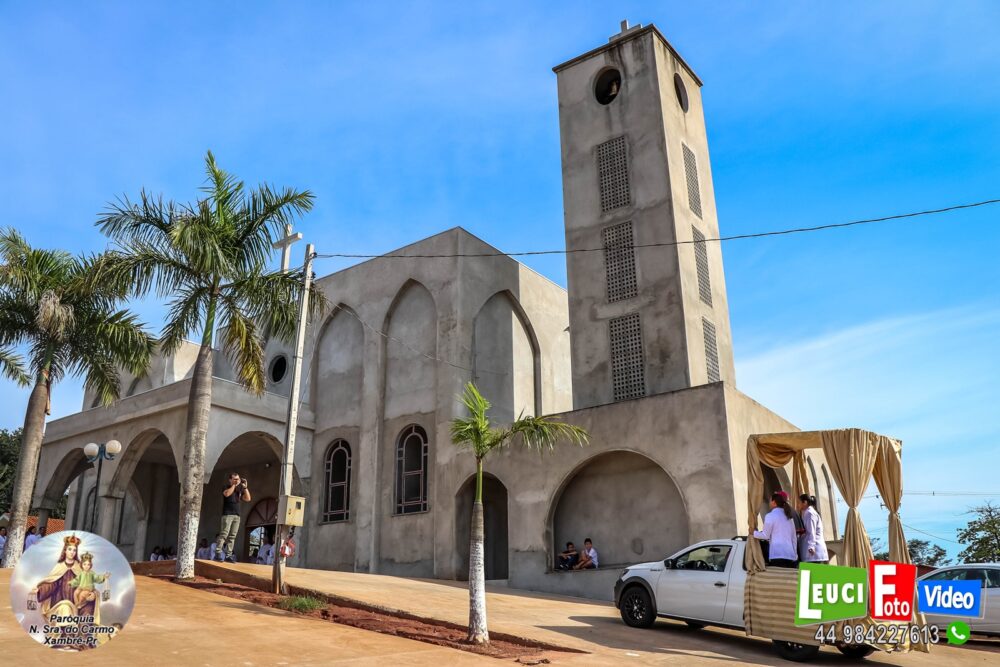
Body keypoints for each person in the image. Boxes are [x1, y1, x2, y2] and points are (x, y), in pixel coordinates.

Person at [754, 491, 798, 568]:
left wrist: (753, 533)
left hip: (777, 554)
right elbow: (794, 538)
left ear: (774, 502)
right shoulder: (789, 517)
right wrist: (795, 554)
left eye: (770, 500)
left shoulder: (770, 516)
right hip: (790, 555)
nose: (769, 502)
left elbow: (765, 535)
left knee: (779, 579)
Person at [216, 472, 250, 563]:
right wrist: (234, 485)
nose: (236, 481)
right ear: (230, 479)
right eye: (234, 479)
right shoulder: (226, 487)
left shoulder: (240, 489)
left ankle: (228, 555)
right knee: (224, 534)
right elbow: (227, 494)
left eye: (238, 479)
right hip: (227, 514)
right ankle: (218, 553)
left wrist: (245, 487)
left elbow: (248, 499)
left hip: (237, 515)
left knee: (232, 536)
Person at [797, 494, 829, 563]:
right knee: (807, 573)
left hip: (812, 552)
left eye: (799, 502)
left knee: (807, 573)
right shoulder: (807, 513)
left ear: (805, 502)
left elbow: (811, 531)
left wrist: (811, 546)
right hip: (811, 552)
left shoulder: (809, 513)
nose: (798, 505)